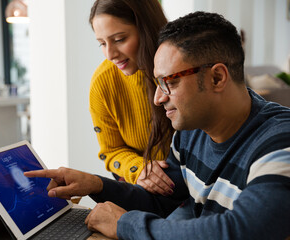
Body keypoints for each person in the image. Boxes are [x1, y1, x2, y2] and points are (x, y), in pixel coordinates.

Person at [25, 11, 290, 239]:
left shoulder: (279, 142)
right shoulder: (190, 134)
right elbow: (160, 201)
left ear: (217, 77)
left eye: (169, 83)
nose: (158, 97)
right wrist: (96, 184)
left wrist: (125, 225)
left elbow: (241, 232)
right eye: (157, 83)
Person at [88, 0, 175, 195]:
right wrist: (140, 168)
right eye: (102, 43)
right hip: (142, 187)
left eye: (119, 39)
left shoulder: (183, 68)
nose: (110, 54)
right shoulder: (103, 83)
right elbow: (111, 151)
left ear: (146, 28)